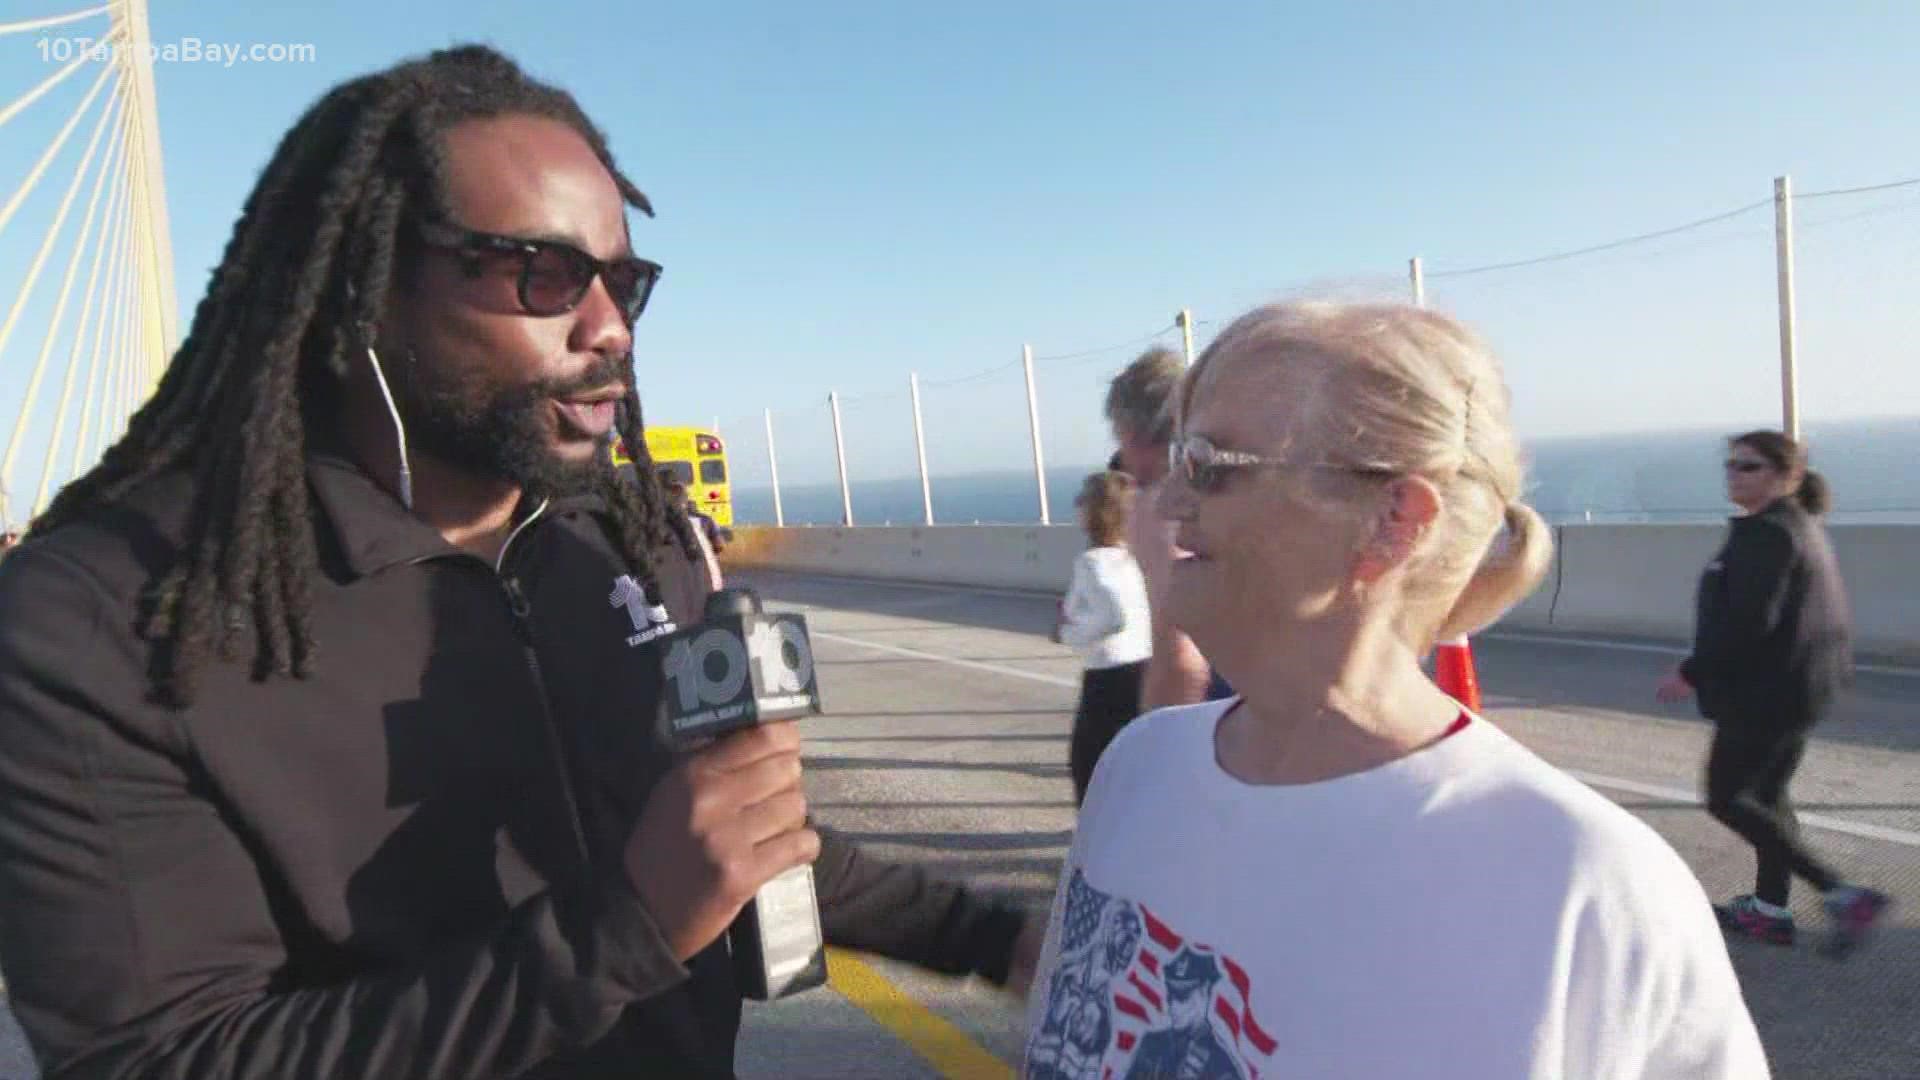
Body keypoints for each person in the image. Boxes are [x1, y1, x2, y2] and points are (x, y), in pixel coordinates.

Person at [0, 45, 1037, 1080]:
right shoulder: (105, 623)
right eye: (542, 273)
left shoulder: (629, 542)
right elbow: (160, 1059)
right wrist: (622, 931)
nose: (611, 328)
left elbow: (731, 835)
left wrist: (998, 941)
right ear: (365, 291)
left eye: (623, 280)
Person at [1022, 302, 1767, 1079]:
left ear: (1393, 522)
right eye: (1174, 458)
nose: (1169, 502)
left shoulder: (1588, 894)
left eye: (1209, 463)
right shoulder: (1137, 767)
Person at [1656, 431, 1890, 956]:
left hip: (1766, 693)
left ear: (1785, 477)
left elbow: (1746, 624)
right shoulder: (1795, 526)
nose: (1735, 474)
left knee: (1728, 798)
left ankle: (1842, 893)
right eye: (1732, 465)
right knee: (1768, 800)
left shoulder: (1768, 534)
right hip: (1797, 690)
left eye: (1750, 466)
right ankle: (1769, 910)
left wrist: (1690, 672)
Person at [1104, 347, 1224, 709]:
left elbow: (1180, 661)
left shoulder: (1162, 506)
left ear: (1132, 435)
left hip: (1214, 709)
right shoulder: (1233, 486)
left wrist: (1153, 747)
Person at [1050, 471, 1150, 805]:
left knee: (1089, 770)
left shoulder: (1092, 563)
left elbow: (1113, 615)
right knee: (1136, 772)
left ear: (1096, 511)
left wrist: (1067, 632)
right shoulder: (1135, 558)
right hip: (1144, 670)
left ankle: (1096, 850)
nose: (1077, 505)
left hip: (1108, 678)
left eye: (1083, 499)